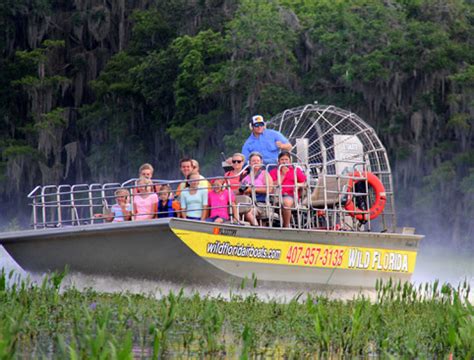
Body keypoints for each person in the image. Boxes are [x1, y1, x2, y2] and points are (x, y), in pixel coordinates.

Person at [269, 151, 307, 228]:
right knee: (284, 201)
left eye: (286, 159)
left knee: (286, 202)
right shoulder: (273, 172)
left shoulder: (296, 170)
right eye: (282, 159)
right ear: (278, 161)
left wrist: (299, 185)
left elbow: (305, 183)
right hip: (276, 196)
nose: (284, 161)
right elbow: (272, 185)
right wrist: (283, 174)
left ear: (290, 161)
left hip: (291, 196)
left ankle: (286, 226)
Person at [239, 152, 273, 226]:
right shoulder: (245, 176)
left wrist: (253, 189)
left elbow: (270, 189)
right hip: (247, 202)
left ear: (261, 162)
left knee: (247, 212)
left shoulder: (265, 174)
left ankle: (256, 228)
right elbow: (241, 190)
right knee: (236, 210)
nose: (256, 162)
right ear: (250, 163)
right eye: (253, 161)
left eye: (258, 161)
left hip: (261, 203)